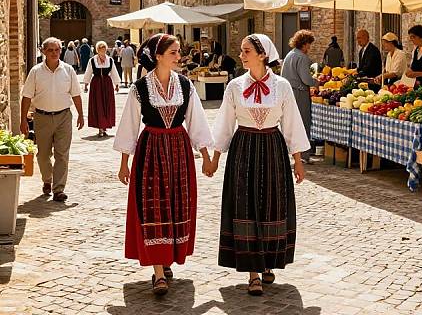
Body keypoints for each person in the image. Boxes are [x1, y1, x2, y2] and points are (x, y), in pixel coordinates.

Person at [113, 33, 214, 296]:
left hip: (179, 149)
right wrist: (124, 162)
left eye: (178, 52)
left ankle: (167, 258)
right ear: (158, 56)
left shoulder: (185, 85)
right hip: (151, 150)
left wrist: (205, 155)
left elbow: (196, 121)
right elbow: (129, 126)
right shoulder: (140, 88)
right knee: (152, 206)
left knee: (176, 203)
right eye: (174, 52)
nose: (179, 56)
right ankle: (158, 272)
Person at [209, 34, 309, 296]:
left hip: (272, 149)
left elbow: (292, 124)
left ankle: (267, 262)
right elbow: (224, 124)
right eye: (241, 51)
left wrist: (298, 161)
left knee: (271, 206)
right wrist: (215, 158)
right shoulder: (234, 86)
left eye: (246, 51)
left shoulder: (282, 86)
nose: (241, 55)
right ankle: (253, 273)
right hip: (243, 148)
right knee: (245, 205)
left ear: (262, 54)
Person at [20, 37, 84, 202]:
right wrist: (23, 120)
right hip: (42, 117)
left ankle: (58, 189)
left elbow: (76, 94)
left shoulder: (68, 70)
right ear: (43, 51)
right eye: (50, 50)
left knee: (62, 154)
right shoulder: (35, 72)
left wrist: (81, 114)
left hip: (64, 116)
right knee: (42, 155)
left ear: (60, 51)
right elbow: (26, 97)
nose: (54, 53)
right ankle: (47, 180)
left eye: (57, 50)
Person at [281, 30, 317, 163]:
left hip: (289, 92)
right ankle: (304, 155)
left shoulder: (290, 54)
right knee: (303, 123)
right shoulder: (302, 57)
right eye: (309, 44)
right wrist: (316, 82)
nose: (309, 47)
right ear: (304, 44)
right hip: (300, 93)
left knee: (291, 124)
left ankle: (293, 153)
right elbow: (306, 79)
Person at [83, 41, 121, 137]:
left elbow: (114, 72)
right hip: (96, 85)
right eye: (100, 49)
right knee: (98, 105)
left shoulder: (110, 60)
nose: (102, 51)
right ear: (97, 50)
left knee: (107, 104)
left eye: (104, 49)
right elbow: (88, 72)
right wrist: (86, 84)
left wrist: (116, 84)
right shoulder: (92, 60)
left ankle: (105, 126)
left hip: (107, 84)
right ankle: (100, 127)